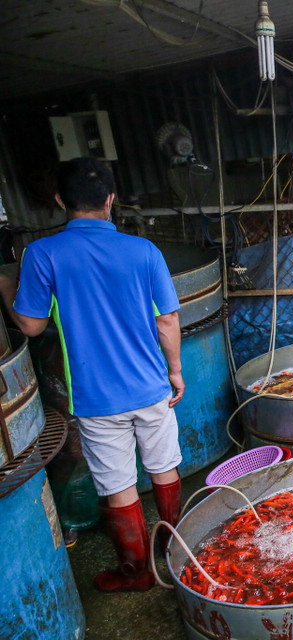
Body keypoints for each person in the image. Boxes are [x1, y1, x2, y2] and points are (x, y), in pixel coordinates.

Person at [0, 158, 184, 592]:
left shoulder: (42, 253)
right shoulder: (144, 251)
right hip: (152, 385)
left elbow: (30, 326)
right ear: (110, 200)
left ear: (61, 201)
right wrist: (174, 371)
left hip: (96, 398)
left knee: (118, 484)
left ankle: (137, 573)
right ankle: (179, 554)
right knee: (165, 467)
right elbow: (167, 321)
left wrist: (7, 289)